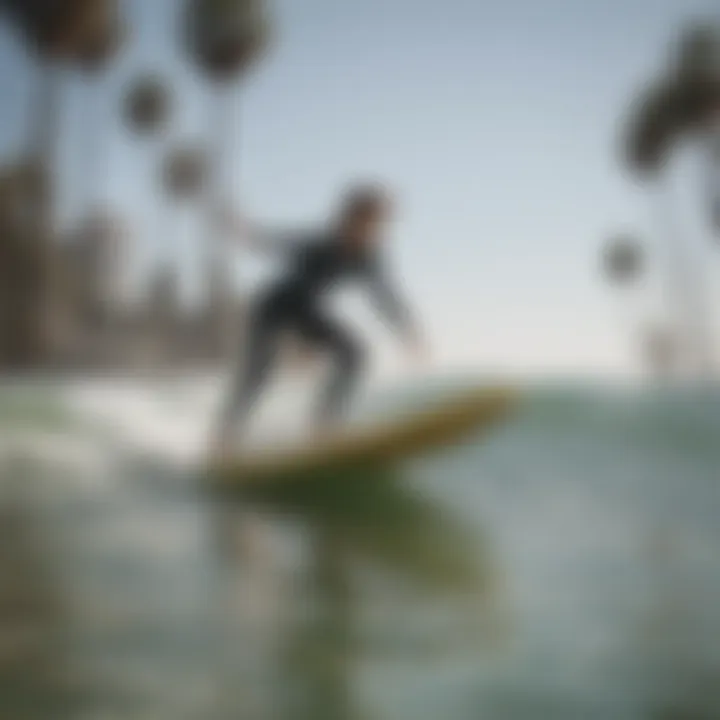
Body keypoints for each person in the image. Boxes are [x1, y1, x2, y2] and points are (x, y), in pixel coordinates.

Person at [211, 182, 427, 454]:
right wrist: (303, 344)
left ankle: (323, 429)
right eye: (365, 221)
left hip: (307, 312)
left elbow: (385, 296)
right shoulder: (320, 245)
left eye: (377, 224)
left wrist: (408, 330)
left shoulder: (368, 257)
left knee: (355, 354)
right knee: (259, 372)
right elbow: (275, 245)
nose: (370, 231)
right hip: (274, 309)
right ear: (347, 219)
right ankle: (224, 436)